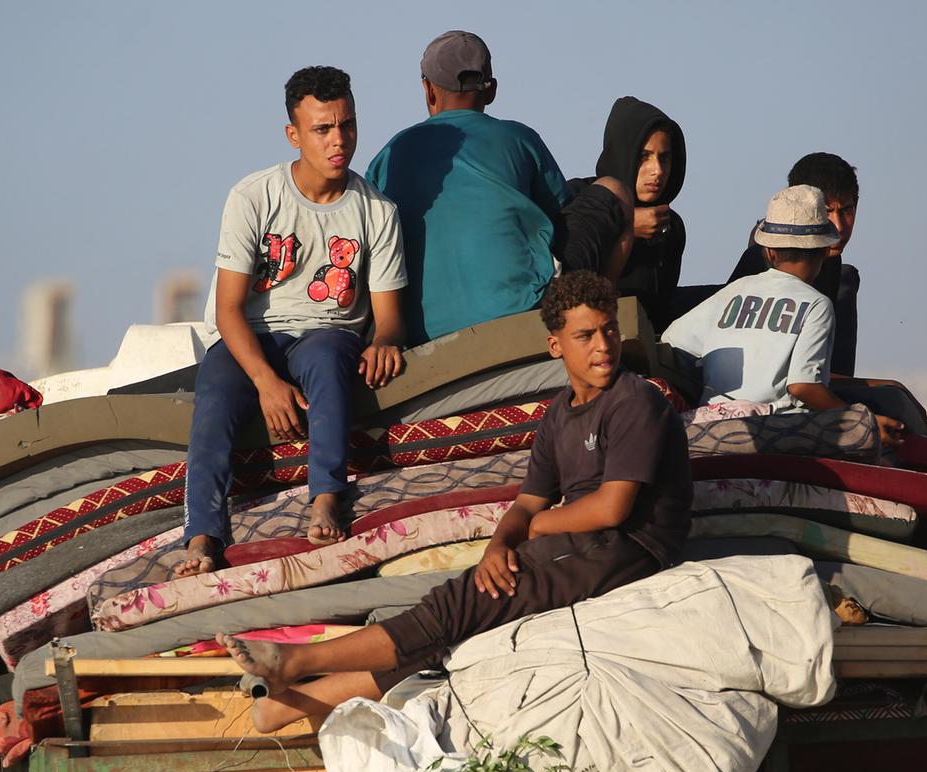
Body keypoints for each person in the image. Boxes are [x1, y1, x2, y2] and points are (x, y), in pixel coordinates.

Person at [221, 271, 691, 732]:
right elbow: (528, 502)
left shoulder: (634, 402)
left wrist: (530, 531)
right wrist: (498, 546)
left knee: (461, 605)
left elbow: (610, 510)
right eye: (585, 335)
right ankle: (287, 706)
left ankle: (296, 660)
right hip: (577, 541)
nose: (603, 346)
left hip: (629, 546)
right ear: (556, 346)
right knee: (455, 616)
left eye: (609, 329)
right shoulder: (557, 416)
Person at [176, 66, 409, 578]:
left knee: (328, 360)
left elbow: (388, 319)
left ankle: (326, 496)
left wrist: (385, 342)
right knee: (212, 399)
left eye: (346, 125)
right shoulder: (253, 197)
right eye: (323, 129)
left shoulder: (377, 212)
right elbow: (228, 310)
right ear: (294, 134)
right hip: (251, 337)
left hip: (328, 334)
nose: (338, 140)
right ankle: (201, 537)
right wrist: (266, 383)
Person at [365, 30, 634, 345]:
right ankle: (598, 324)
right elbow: (561, 216)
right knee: (615, 191)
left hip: (419, 331)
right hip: (522, 310)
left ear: (429, 90)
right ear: (491, 91)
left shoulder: (389, 155)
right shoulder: (518, 138)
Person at [663, 186, 900, 442]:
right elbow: (803, 386)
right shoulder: (816, 305)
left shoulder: (733, 292)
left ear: (769, 251)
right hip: (771, 432)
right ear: (824, 251)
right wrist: (860, 421)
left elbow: (672, 340)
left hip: (713, 427)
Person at [727, 152, 860, 378]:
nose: (838, 225)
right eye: (827, 211)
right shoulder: (765, 257)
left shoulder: (833, 265)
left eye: (846, 210)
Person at [572, 96, 687, 331]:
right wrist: (625, 225)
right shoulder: (577, 199)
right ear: (624, 155)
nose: (658, 170)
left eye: (664, 158)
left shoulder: (670, 226)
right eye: (644, 157)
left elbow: (661, 312)